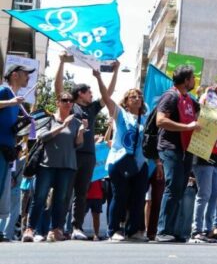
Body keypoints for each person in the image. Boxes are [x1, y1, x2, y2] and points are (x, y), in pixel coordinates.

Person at [55, 54, 107, 241]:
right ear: (80, 94)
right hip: (73, 153)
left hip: (89, 155)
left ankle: (77, 227)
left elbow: (107, 96)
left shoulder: (92, 109)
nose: (92, 94)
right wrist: (61, 63)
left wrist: (100, 77)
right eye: (89, 92)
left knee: (82, 193)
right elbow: (59, 89)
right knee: (65, 192)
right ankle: (59, 227)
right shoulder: (70, 106)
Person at [22, 90, 85, 242]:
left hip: (67, 166)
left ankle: (56, 229)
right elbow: (43, 137)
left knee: (60, 199)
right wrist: (63, 126)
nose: (68, 103)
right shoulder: (49, 119)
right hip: (47, 165)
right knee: (40, 197)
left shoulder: (76, 122)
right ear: (58, 102)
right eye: (64, 100)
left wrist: (81, 132)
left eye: (70, 101)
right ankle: (30, 229)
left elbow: (78, 145)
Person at [155, 65, 200, 243]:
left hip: (185, 150)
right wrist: (187, 127)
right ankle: (163, 231)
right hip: (171, 148)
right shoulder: (170, 96)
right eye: (193, 78)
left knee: (180, 190)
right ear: (186, 80)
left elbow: (206, 109)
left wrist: (216, 92)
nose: (195, 81)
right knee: (172, 188)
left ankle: (174, 231)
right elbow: (160, 120)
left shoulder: (189, 99)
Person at [103, 82, 149, 242]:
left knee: (139, 197)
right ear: (126, 101)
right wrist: (100, 78)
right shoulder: (121, 114)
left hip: (140, 163)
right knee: (120, 196)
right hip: (119, 161)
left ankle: (133, 230)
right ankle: (114, 230)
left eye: (140, 96)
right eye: (133, 97)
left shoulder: (146, 119)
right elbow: (106, 98)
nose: (137, 98)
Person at [0, 63, 33, 236]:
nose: (29, 77)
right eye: (25, 73)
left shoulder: (15, 100)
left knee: (2, 191)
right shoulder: (4, 91)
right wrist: (9, 102)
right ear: (14, 75)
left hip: (7, 151)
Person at [190, 86, 217, 244]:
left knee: (216, 193)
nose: (215, 100)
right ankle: (197, 230)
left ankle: (208, 228)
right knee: (204, 193)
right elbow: (201, 103)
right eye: (212, 97)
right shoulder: (201, 111)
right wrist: (208, 91)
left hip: (215, 159)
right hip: (202, 156)